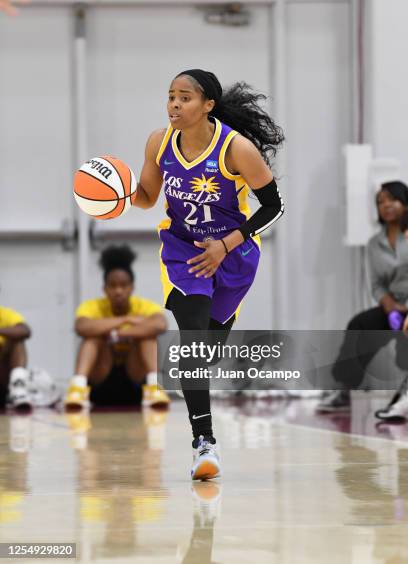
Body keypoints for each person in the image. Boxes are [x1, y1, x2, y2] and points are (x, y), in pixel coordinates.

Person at [133, 69, 284, 479]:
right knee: (194, 342)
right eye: (170, 97)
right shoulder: (158, 143)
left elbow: (273, 207)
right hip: (184, 252)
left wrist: (226, 244)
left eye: (185, 98)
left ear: (208, 106)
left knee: (205, 353)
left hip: (232, 254)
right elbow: (147, 199)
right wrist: (117, 191)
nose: (174, 106)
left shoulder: (236, 149)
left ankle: (199, 362)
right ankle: (205, 444)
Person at [317, 181, 408, 415]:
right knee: (360, 325)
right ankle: (343, 390)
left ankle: (403, 398)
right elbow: (376, 284)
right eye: (380, 202)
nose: (386, 205)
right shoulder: (374, 244)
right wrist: (390, 307)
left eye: (392, 199)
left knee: (403, 356)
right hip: (394, 306)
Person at [64, 245, 169, 411]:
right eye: (112, 286)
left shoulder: (145, 306)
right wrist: (125, 319)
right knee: (92, 337)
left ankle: (154, 387)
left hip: (135, 379)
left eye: (123, 285)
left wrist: (115, 333)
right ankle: (78, 388)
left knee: (148, 337)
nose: (118, 291)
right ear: (104, 289)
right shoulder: (92, 306)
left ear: (131, 287)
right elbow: (81, 327)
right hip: (102, 380)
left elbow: (160, 324)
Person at [0, 304, 31, 410]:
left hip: (3, 379)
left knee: (17, 339)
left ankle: (18, 389)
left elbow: (25, 331)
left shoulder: (5, 314)